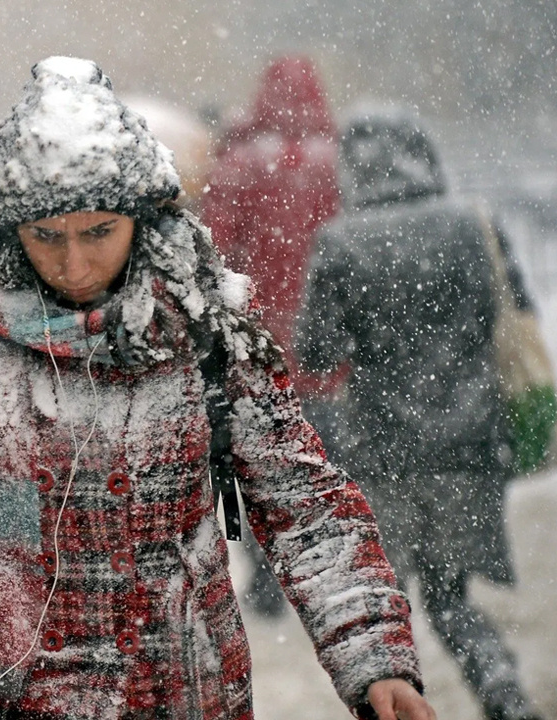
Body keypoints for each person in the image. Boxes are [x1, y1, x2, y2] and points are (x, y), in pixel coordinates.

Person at [0, 57, 434, 720]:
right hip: (9, 700)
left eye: (99, 233)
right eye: (47, 237)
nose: (74, 264)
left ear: (140, 219)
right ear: (10, 231)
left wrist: (375, 657)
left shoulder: (199, 325)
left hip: (173, 691)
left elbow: (304, 500)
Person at [298, 107, 544, 720]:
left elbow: (317, 349)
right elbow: (507, 311)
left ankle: (389, 705)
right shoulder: (471, 224)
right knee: (449, 594)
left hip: (385, 447)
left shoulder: (341, 240)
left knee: (381, 604)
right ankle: (504, 694)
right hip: (470, 442)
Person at [200, 55, 342, 617]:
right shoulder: (339, 164)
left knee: (262, 459)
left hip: (258, 341)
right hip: (324, 344)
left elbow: (212, 249)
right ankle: (322, 567)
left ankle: (265, 575)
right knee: (319, 459)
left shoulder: (237, 163)